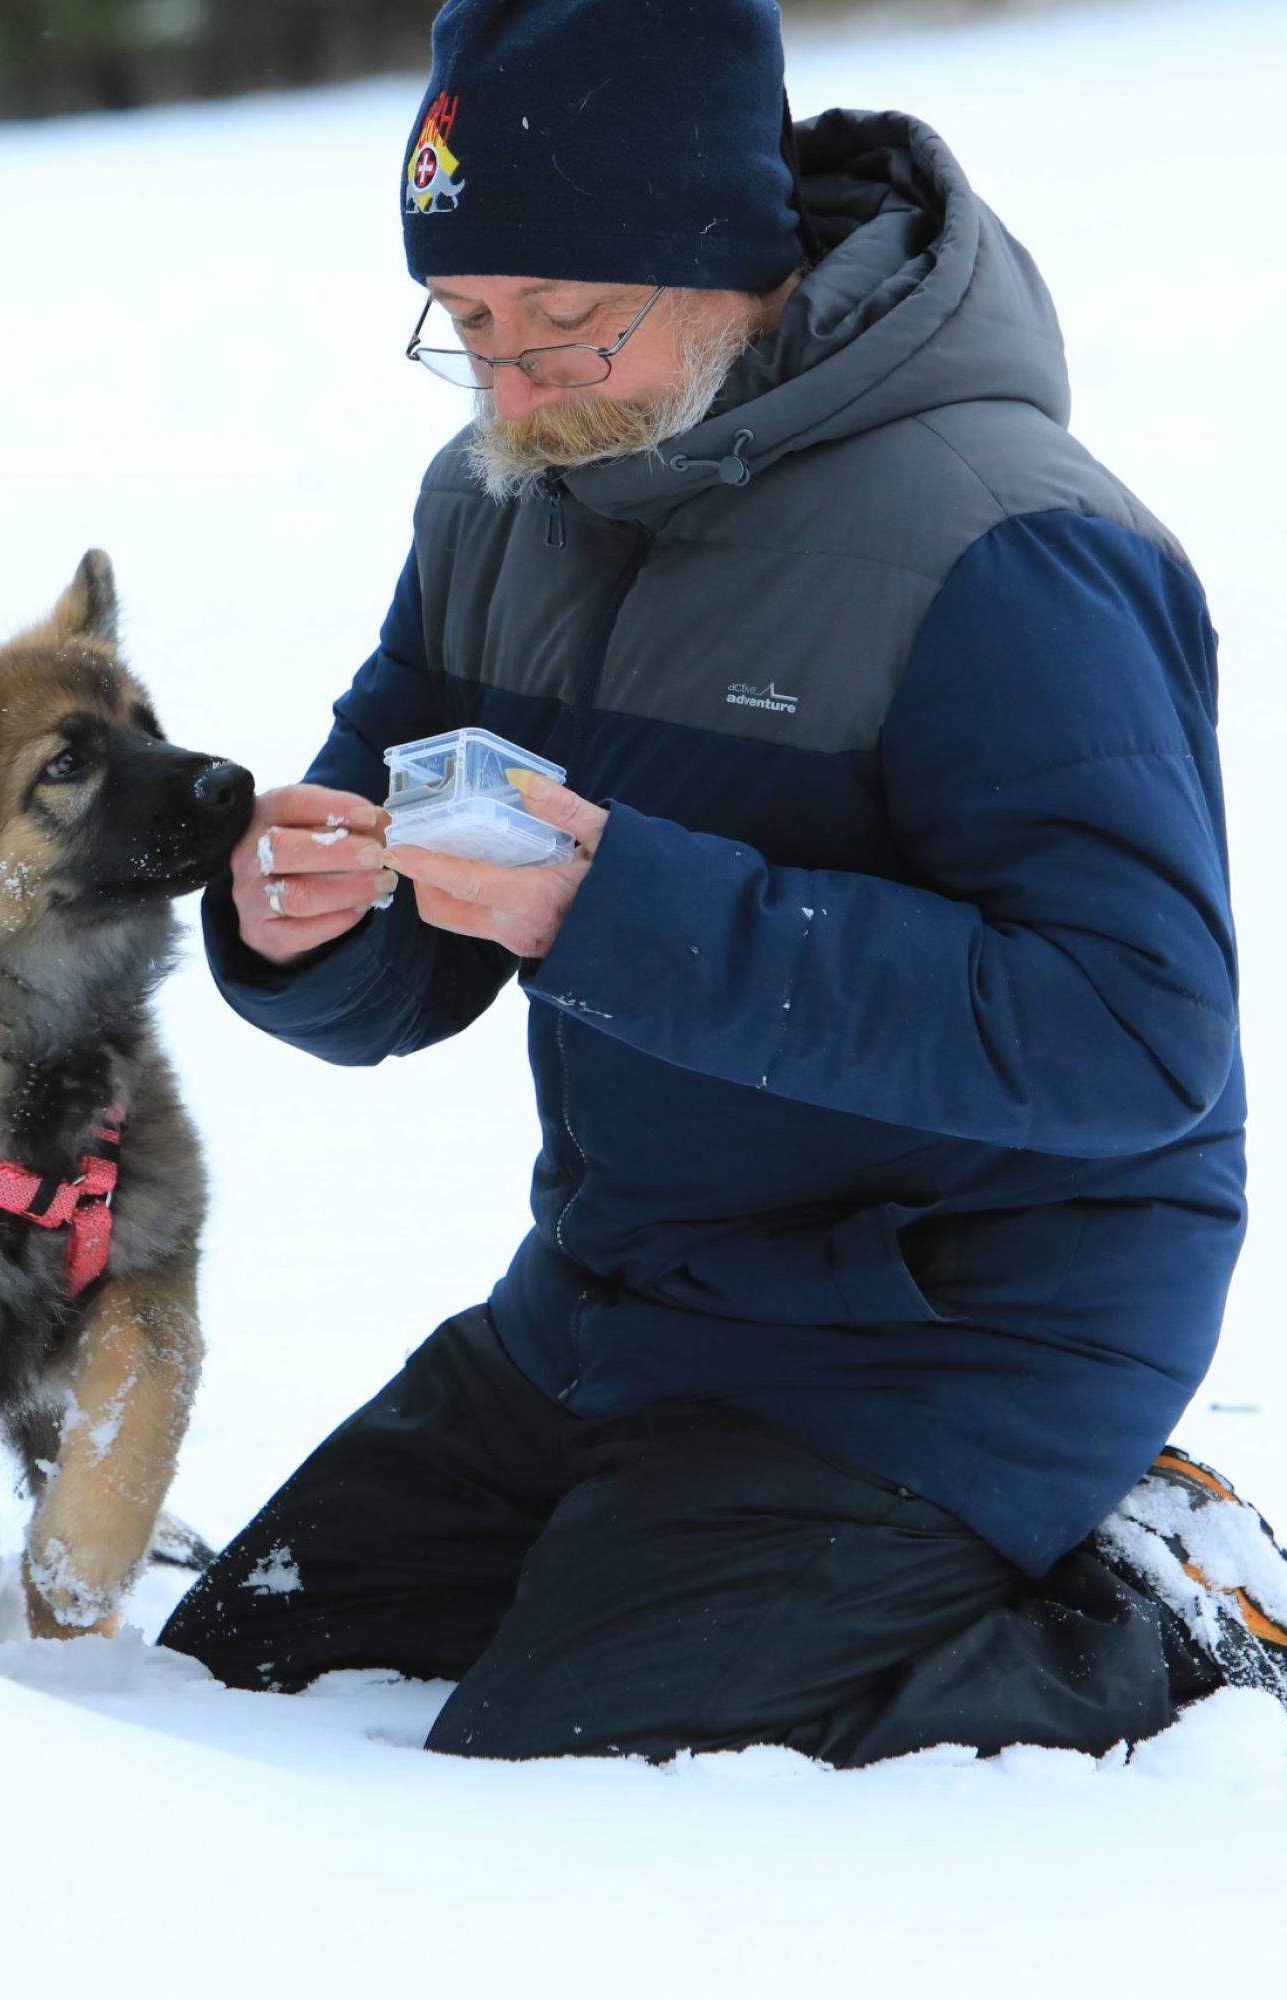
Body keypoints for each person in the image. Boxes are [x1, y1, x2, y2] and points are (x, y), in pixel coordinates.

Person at [157, 0, 1287, 1764]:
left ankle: (1155, 1610)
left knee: (562, 1780)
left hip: (951, 1340)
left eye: (565, 325)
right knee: (238, 1673)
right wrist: (304, 926)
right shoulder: (498, 501)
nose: (510, 388)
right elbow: (407, 926)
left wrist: (606, 907)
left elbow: (1138, 1042)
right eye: (466, 327)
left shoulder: (1008, 546)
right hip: (621, 1296)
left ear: (720, 256)